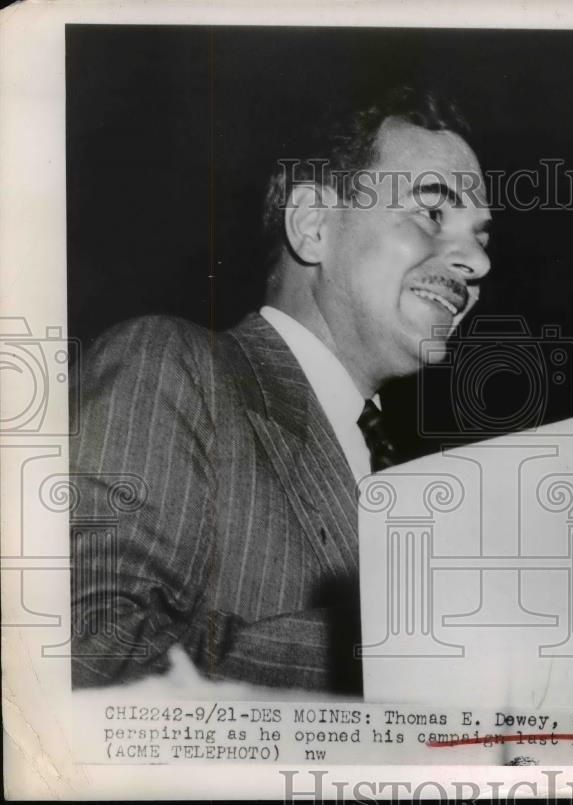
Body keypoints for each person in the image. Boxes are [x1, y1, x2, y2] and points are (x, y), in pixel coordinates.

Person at [70, 87, 492, 692]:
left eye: (483, 236)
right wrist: (393, 646)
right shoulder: (170, 367)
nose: (477, 262)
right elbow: (88, 653)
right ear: (314, 226)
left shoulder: (416, 486)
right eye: (432, 213)